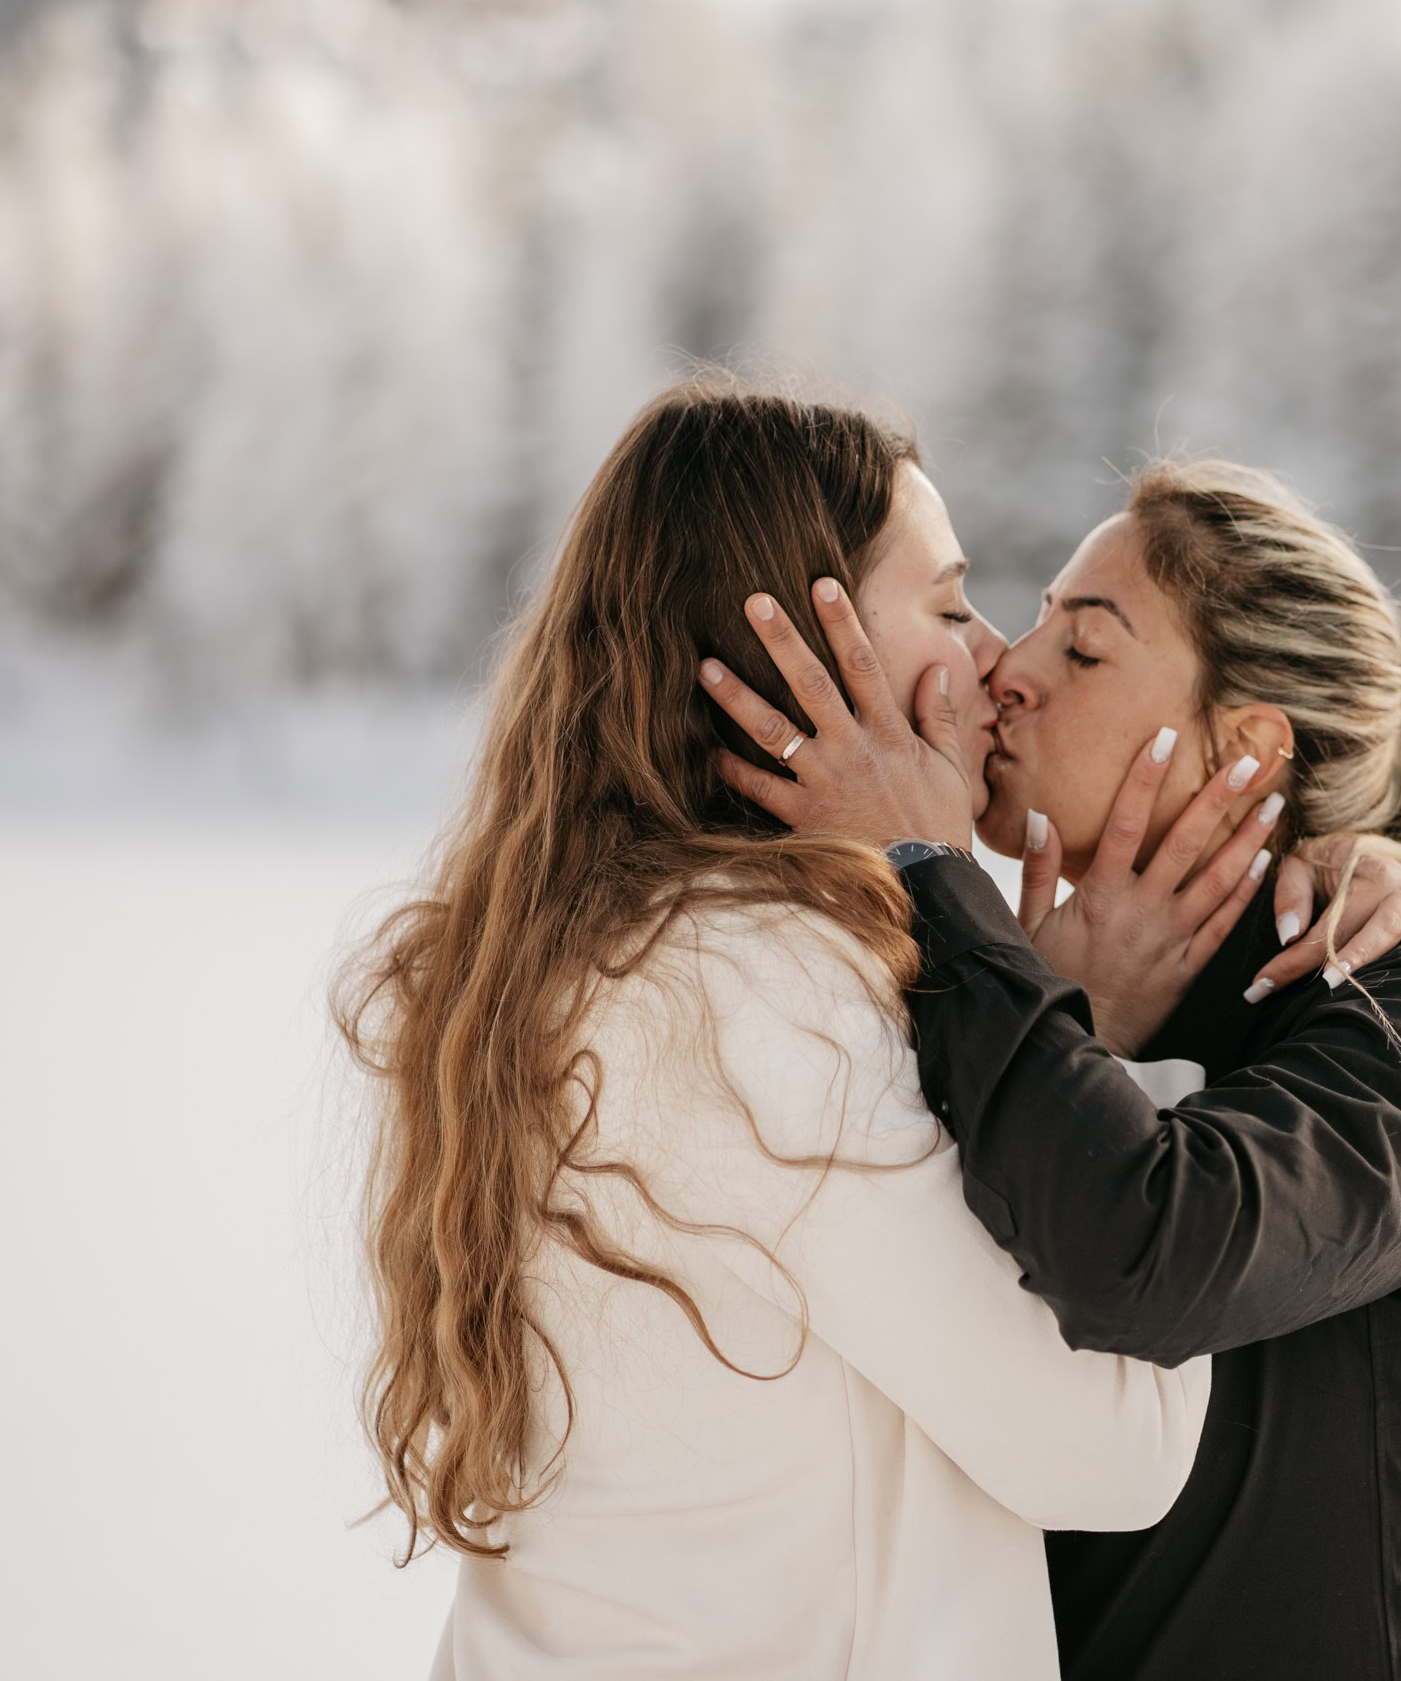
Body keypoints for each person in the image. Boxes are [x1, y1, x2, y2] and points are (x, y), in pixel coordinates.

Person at [339, 381, 1238, 1680]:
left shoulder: (590, 954)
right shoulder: (753, 998)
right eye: (945, 604)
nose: (994, 655)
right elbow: (1109, 1449)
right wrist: (1096, 1050)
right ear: (800, 660)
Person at [707, 456, 1401, 1681]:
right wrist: (1070, 1010)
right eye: (1039, 623)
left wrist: (928, 868)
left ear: (1248, 746)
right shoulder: (1022, 1007)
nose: (1008, 669)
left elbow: (1146, 1251)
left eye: (1085, 648)